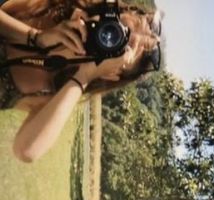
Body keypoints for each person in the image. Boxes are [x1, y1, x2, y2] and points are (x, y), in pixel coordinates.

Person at [0, 0, 161, 163]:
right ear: (110, 12)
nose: (110, 37)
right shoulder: (50, 7)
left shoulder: (54, 93)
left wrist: (83, 77)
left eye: (123, 48)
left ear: (111, 73)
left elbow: (26, 150)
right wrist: (36, 37)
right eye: (119, 27)